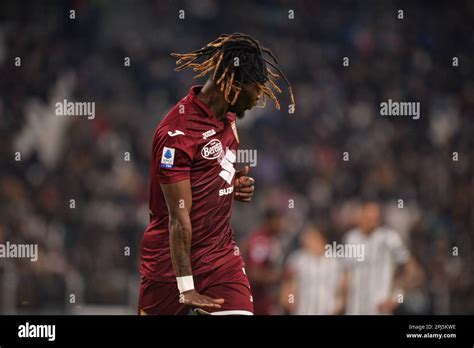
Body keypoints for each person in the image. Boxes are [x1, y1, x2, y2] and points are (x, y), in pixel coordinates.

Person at [138, 33, 295, 315]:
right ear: (233, 86)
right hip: (169, 264)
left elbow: (205, 173)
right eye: (255, 89)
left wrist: (230, 185)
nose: (259, 98)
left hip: (220, 258)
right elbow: (178, 217)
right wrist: (186, 287)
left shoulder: (229, 118)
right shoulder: (177, 134)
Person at [342, 201, 412, 315]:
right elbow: (347, 274)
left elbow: (412, 271)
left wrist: (397, 297)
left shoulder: (390, 238)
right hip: (354, 309)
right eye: (367, 216)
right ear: (360, 216)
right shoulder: (350, 238)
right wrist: (343, 301)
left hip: (379, 310)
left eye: (375, 217)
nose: (371, 220)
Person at [280, 224, 345, 315]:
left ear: (322, 239)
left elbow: (343, 287)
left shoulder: (336, 261)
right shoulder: (297, 259)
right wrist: (289, 301)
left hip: (328, 311)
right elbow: (288, 285)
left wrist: (339, 306)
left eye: (311, 237)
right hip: (303, 311)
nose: (306, 240)